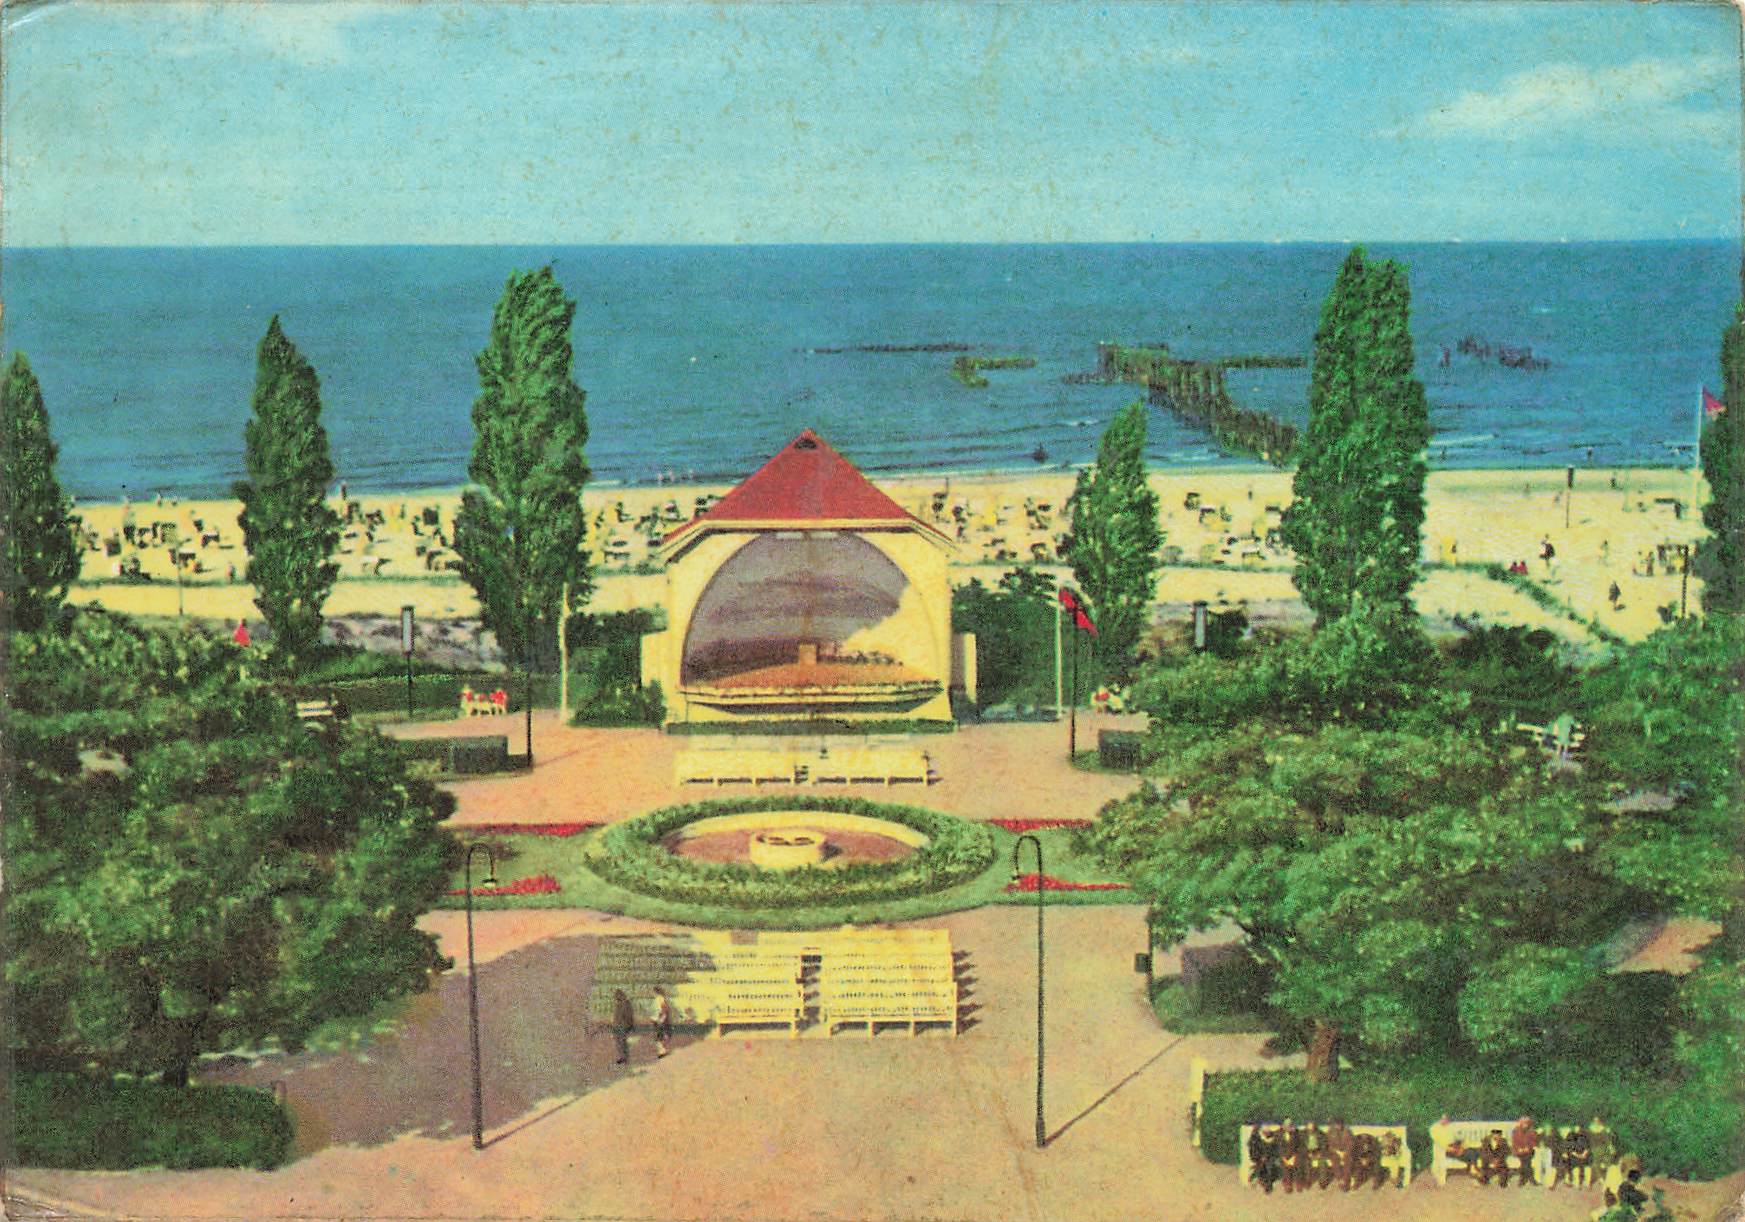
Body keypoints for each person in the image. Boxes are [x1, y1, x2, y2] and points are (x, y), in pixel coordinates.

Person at [1247, 1124, 1280, 1192]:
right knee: (1261, 1166)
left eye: (1268, 1132)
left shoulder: (1275, 1139)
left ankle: (1266, 1179)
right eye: (1265, 1132)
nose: (1267, 1133)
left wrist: (1270, 1156)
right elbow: (1253, 1149)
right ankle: (1256, 1178)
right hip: (1259, 1158)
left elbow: (1276, 1150)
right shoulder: (1256, 1139)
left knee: (1270, 1166)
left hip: (1270, 1158)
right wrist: (1260, 1157)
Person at [1510, 1115, 1540, 1187]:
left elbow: (1534, 1142)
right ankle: (1530, 1179)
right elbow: (1514, 1142)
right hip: (1518, 1151)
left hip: (1529, 1151)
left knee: (1525, 1161)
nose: (1525, 1125)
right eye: (1524, 1123)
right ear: (1521, 1123)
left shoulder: (1531, 1131)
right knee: (1526, 1162)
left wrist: (1528, 1147)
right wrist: (1519, 1148)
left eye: (1527, 1123)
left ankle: (1522, 1180)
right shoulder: (1516, 1131)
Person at [1326, 1119, 1354, 1191]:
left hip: (1346, 1152)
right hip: (1335, 1151)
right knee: (1335, 1160)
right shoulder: (1330, 1132)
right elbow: (1329, 1145)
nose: (1338, 1126)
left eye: (1340, 1124)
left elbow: (1351, 1144)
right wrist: (1338, 1152)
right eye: (1336, 1125)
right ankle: (1339, 1179)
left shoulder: (1348, 1132)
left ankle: (1345, 1180)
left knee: (1348, 1160)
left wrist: (1345, 1152)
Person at [610, 989, 635, 1064]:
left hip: (623, 1026)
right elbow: (616, 1015)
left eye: (616, 996)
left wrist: (629, 1025)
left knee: (622, 1042)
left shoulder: (626, 1004)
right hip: (617, 1025)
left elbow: (628, 1016)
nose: (615, 998)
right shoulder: (618, 1004)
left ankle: (625, 1058)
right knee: (618, 1042)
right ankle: (622, 1057)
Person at [653, 986, 674, 1059]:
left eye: (653, 992)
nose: (653, 993)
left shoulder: (659, 999)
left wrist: (660, 1019)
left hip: (660, 1020)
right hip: (659, 1020)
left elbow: (663, 1009)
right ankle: (662, 1051)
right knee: (661, 1036)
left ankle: (662, 1051)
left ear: (656, 992)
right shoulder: (660, 999)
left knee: (660, 1036)